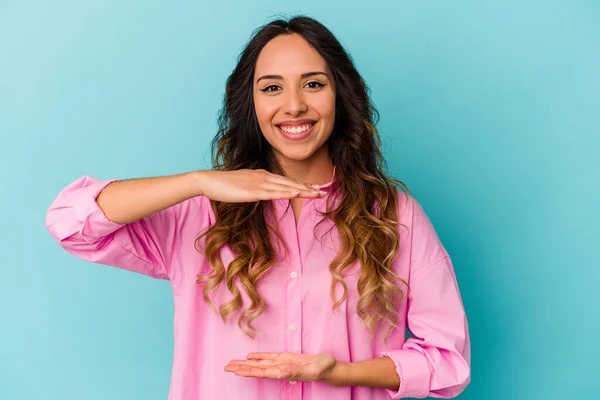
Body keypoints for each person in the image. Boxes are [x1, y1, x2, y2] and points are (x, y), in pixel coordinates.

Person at [45, 15, 470, 400]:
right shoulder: (200, 214)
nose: (294, 105)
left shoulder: (394, 215)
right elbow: (70, 221)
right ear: (251, 103)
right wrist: (196, 182)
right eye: (271, 88)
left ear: (341, 95)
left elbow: (448, 361)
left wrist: (341, 372)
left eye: (313, 84)